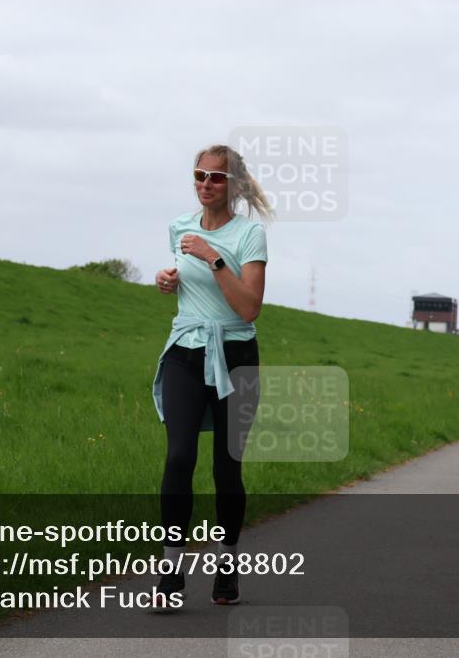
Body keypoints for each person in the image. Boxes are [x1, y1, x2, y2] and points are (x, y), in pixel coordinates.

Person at [151, 144, 271, 607]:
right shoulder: (178, 228)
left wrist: (213, 257)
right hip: (185, 351)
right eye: (199, 175)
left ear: (234, 185)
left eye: (216, 178)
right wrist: (168, 280)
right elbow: (188, 285)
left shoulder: (250, 235)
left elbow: (248, 306)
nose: (205, 184)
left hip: (236, 356)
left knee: (227, 468)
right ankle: (172, 569)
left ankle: (226, 564)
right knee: (179, 457)